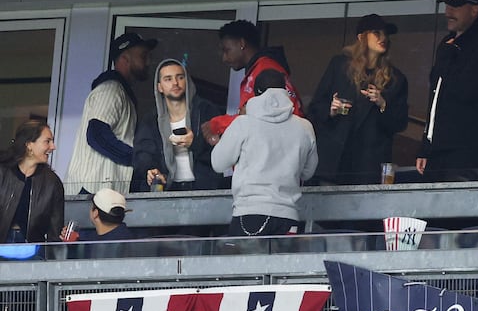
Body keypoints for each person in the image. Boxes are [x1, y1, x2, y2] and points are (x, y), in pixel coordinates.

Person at [211, 69, 318, 236]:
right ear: (285, 91)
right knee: (285, 263)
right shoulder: (305, 127)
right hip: (288, 216)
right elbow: (308, 173)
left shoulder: (243, 124)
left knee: (246, 263)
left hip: (249, 212)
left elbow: (218, 163)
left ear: (256, 94)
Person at [416, 0, 478, 182]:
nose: (448, 12)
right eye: (447, 6)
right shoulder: (447, 43)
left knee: (458, 209)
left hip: (468, 151)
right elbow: (435, 95)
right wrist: (426, 145)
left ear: (474, 10)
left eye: (455, 7)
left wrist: (449, 57)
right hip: (438, 151)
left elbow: (466, 91)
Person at [307, 14, 408, 184]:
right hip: (334, 163)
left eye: (385, 34)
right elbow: (315, 107)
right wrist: (331, 109)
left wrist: (383, 104)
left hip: (367, 166)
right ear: (362, 37)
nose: (383, 38)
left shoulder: (395, 78)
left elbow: (399, 122)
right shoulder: (339, 65)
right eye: (377, 33)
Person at [65, 32, 157, 194]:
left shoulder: (119, 91)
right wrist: (136, 158)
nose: (148, 62)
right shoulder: (111, 89)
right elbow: (97, 135)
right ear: (125, 59)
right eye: (143, 56)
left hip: (101, 188)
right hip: (93, 188)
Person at [201, 20, 303, 145]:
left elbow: (275, 117)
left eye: (227, 50)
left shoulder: (267, 70)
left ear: (241, 43)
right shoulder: (258, 69)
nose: (224, 58)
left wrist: (217, 124)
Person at [133, 59, 225, 191]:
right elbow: (142, 153)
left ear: (187, 81)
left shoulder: (206, 111)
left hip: (204, 188)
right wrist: (150, 169)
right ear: (159, 87)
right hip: (167, 189)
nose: (175, 83)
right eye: (168, 79)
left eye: (180, 77)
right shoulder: (151, 120)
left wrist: (195, 143)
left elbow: (222, 150)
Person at [0, 119, 64, 244]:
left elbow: (55, 231)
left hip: (32, 249)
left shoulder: (52, 182)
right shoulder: (2, 172)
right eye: (47, 141)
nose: (53, 147)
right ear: (29, 144)